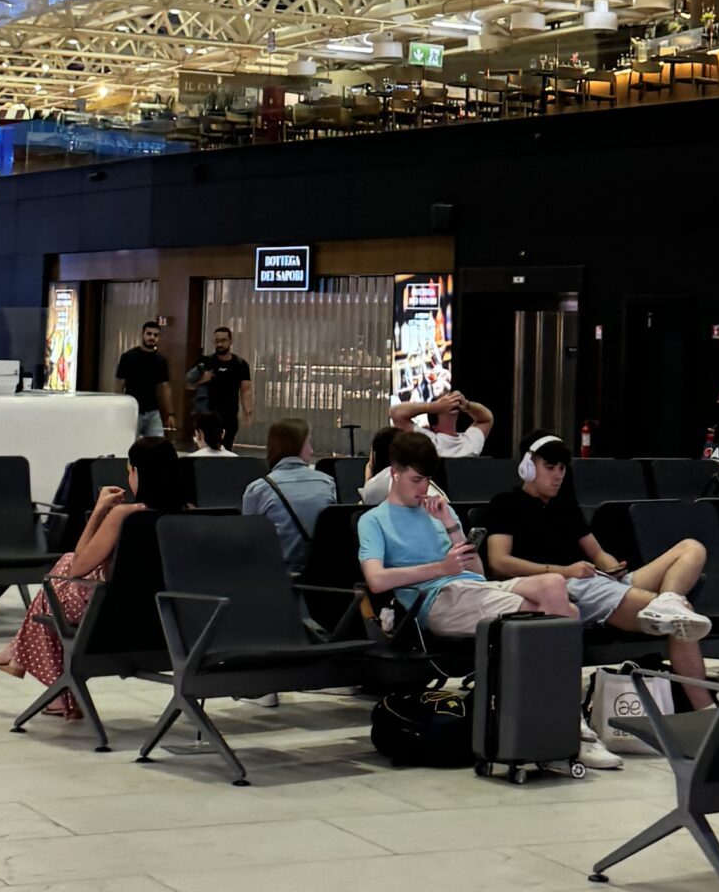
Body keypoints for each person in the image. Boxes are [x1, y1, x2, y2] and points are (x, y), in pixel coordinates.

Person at [353, 434, 622, 769]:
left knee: (556, 590)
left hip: (475, 589)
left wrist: (450, 526)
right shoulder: (374, 520)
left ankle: (556, 728)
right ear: (394, 472)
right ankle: (568, 728)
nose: (423, 490)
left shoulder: (440, 510)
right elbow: (376, 579)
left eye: (428, 481)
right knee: (560, 616)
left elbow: (478, 571)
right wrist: (441, 567)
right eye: (416, 480)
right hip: (437, 600)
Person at [480, 435, 714, 712]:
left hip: (596, 580)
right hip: (565, 586)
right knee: (681, 618)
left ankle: (667, 600)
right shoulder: (506, 504)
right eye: (550, 467)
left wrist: (611, 566)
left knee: (692, 548)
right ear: (528, 467)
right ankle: (706, 711)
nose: (557, 476)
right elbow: (499, 562)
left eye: (562, 469)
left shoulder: (564, 505)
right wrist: (562, 570)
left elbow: (597, 553)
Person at [0, 436, 193, 715]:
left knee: (59, 578)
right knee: (62, 572)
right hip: (169, 620)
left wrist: (99, 511)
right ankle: (16, 656)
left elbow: (79, 567)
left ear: (138, 473)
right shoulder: (191, 513)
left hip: (113, 619)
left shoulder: (126, 515)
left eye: (130, 470)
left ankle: (31, 667)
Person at [241, 416, 336, 570]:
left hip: (274, 579)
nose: (311, 450)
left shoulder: (258, 489)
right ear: (298, 446)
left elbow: (249, 543)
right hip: (320, 577)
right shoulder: (327, 483)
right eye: (309, 443)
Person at [185, 326, 252, 451]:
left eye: (223, 340)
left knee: (225, 451)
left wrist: (247, 412)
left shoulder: (240, 364)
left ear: (230, 341)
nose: (220, 344)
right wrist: (202, 380)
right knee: (204, 451)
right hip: (206, 415)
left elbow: (245, 390)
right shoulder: (205, 362)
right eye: (217, 341)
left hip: (229, 416)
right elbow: (188, 385)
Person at [390, 388, 494, 462]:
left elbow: (486, 419)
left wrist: (467, 405)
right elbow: (395, 413)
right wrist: (434, 406)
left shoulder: (469, 441)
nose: (449, 402)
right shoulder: (426, 441)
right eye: (444, 401)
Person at [115, 320, 173, 440]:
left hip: (153, 411)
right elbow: (119, 384)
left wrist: (170, 414)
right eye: (149, 334)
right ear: (142, 334)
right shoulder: (128, 357)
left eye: (155, 335)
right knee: (130, 444)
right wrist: (119, 408)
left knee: (158, 445)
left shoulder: (160, 360)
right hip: (132, 410)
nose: (152, 337)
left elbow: (165, 387)